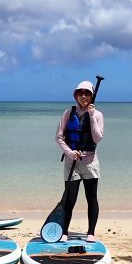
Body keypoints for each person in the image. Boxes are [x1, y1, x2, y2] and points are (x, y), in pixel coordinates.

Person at [55, 81, 105, 242]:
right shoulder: (69, 112)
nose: (83, 96)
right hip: (72, 161)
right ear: (76, 95)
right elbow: (59, 136)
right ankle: (64, 232)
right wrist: (70, 152)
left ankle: (91, 232)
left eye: (87, 93)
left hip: (90, 161)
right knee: (70, 199)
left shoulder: (97, 115)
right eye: (80, 93)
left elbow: (98, 137)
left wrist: (91, 116)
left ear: (91, 96)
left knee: (92, 198)